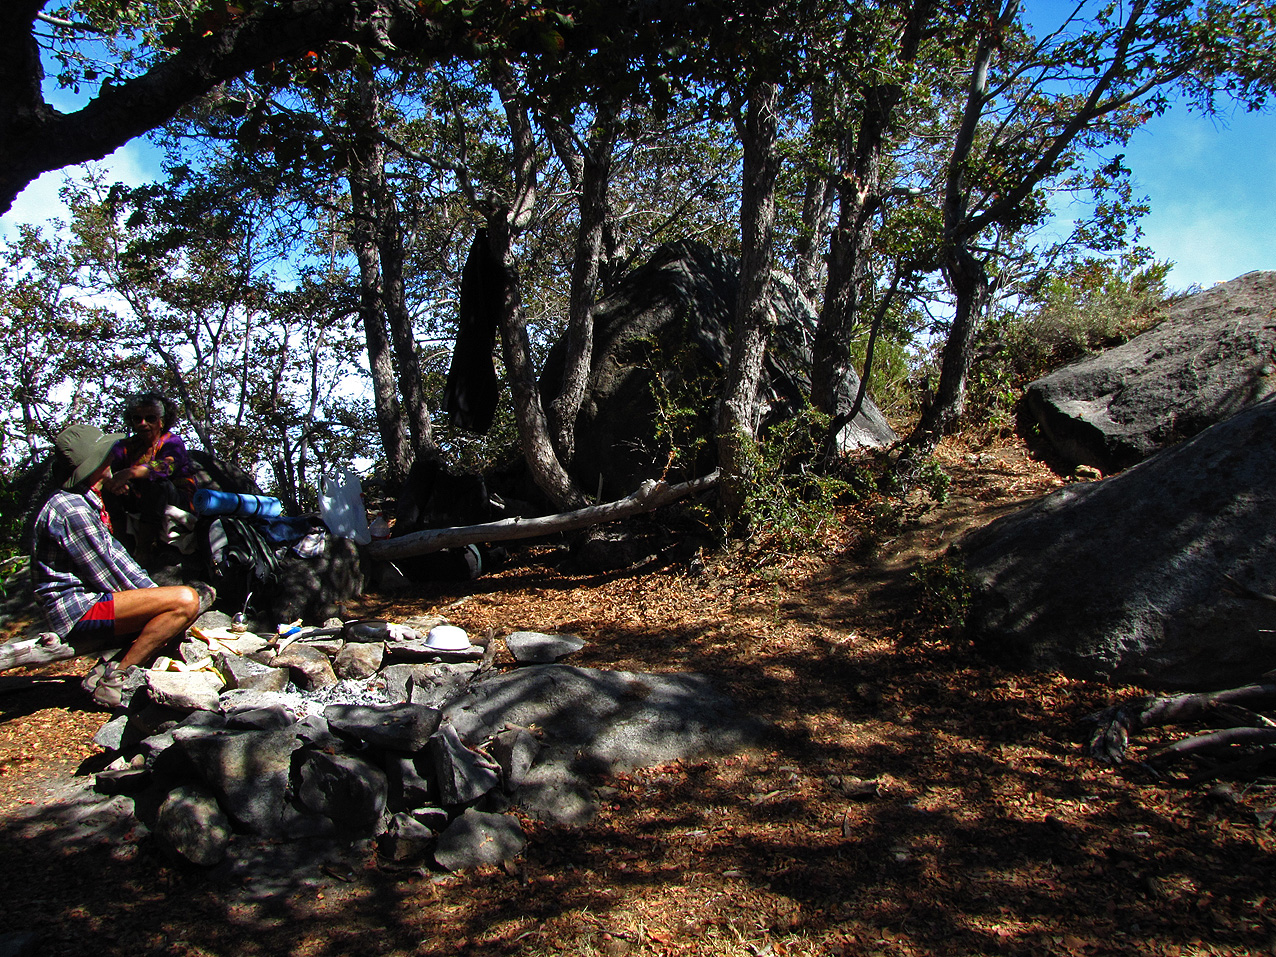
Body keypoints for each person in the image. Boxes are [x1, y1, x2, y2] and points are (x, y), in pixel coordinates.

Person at [30, 422, 210, 708]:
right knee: (185, 601)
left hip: (92, 601)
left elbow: (119, 560)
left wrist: (153, 595)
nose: (113, 457)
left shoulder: (84, 502)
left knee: (179, 602)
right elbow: (110, 574)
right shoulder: (71, 509)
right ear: (95, 463)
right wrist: (164, 601)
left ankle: (103, 669)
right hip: (78, 609)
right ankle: (116, 676)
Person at [101, 392, 197, 565]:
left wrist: (129, 473)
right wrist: (113, 482)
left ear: (162, 421)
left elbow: (165, 467)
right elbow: (108, 467)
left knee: (156, 484)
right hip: (139, 499)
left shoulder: (172, 442)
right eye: (137, 419)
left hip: (175, 497)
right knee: (109, 490)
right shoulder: (125, 446)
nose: (143, 424)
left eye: (150, 418)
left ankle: (144, 549)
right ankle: (121, 544)